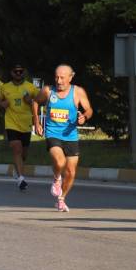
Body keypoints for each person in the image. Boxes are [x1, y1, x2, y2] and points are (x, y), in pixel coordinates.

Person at [30, 64, 94, 212]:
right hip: (52, 133)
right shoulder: (48, 91)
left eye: (62, 78)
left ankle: (61, 199)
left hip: (71, 136)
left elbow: (89, 109)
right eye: (56, 77)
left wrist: (84, 116)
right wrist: (36, 122)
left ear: (71, 77)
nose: (59, 81)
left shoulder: (77, 92)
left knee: (71, 172)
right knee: (60, 161)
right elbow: (35, 102)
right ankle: (57, 177)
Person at [0, 64, 40, 191]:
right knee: (17, 149)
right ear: (12, 73)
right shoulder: (5, 87)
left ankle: (17, 169)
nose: (18, 73)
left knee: (24, 154)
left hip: (26, 124)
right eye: (16, 71)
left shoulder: (30, 87)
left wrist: (31, 101)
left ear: (24, 72)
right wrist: (2, 104)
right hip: (11, 123)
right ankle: (21, 179)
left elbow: (40, 101)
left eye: (21, 71)